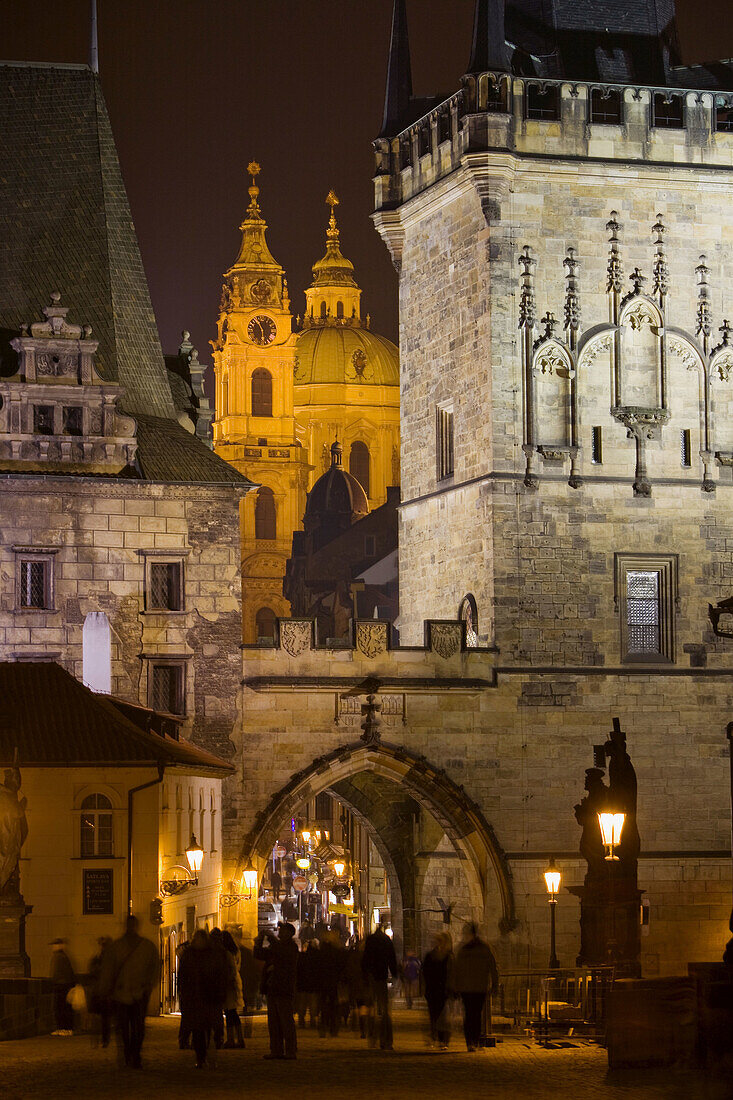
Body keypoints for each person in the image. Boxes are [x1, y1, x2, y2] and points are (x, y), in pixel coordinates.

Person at [100, 915, 159, 1068]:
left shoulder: (121, 947)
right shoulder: (145, 946)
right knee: (130, 1027)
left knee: (133, 1027)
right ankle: (132, 1054)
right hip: (127, 993)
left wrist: (148, 986)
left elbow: (154, 969)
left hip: (133, 993)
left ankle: (132, 1054)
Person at [177, 930, 228, 1068]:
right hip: (196, 998)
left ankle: (209, 1053)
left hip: (209, 997)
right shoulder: (194, 955)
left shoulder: (210, 955)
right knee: (199, 1030)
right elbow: (182, 976)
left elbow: (221, 976)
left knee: (208, 1027)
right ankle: (201, 1057)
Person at [255, 922, 299, 1060]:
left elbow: (281, 953)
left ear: (290, 934)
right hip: (272, 987)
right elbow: (260, 954)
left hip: (284, 988)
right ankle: (276, 1050)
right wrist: (260, 940)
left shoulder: (291, 947)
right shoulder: (277, 947)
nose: (280, 933)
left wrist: (271, 938)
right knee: (273, 1022)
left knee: (286, 1021)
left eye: (283, 931)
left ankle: (290, 1051)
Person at [453, 922, 498, 1052]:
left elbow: (492, 968)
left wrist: (455, 986)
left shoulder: (464, 949)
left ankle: (472, 1041)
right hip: (473, 987)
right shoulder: (483, 948)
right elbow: (493, 968)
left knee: (472, 1015)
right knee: (473, 1015)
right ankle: (473, 1041)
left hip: (474, 987)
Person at [361, 923, 397, 1050]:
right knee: (385, 1010)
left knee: (372, 1009)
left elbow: (365, 960)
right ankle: (386, 1040)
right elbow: (392, 959)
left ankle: (372, 1038)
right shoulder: (386, 940)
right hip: (381, 977)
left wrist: (365, 975)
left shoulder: (370, 940)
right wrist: (395, 973)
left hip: (372, 977)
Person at [423, 932, 453, 1048]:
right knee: (433, 1015)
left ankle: (442, 1039)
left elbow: (450, 973)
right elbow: (425, 972)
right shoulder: (430, 956)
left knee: (442, 1015)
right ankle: (434, 1036)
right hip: (432, 990)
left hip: (443, 990)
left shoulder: (447, 956)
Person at [87, 936, 113, 1047]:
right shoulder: (99, 959)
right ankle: (101, 1039)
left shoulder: (106, 959)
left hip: (103, 992)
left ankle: (102, 1039)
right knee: (101, 1018)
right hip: (100, 991)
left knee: (103, 1018)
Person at [221, 929, 245, 1048]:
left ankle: (231, 1039)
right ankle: (239, 1038)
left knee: (230, 1012)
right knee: (232, 1012)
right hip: (235, 981)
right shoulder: (236, 951)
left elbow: (230, 969)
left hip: (229, 984)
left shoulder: (227, 953)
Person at [50, 938, 76, 1036]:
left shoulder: (60, 957)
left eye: (55, 944)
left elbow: (64, 973)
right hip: (61, 986)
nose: (53, 947)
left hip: (62, 986)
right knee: (61, 1008)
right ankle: (62, 1027)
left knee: (62, 1008)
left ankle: (66, 1028)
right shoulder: (59, 956)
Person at [208, 928, 228, 1049]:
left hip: (210, 987)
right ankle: (218, 1037)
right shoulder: (222, 952)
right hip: (218, 988)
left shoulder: (207, 952)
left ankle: (211, 1036)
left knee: (211, 1014)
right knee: (217, 1015)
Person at [296, 938, 319, 1029]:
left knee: (302, 1003)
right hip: (313, 984)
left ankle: (301, 1019)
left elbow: (298, 970)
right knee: (313, 1003)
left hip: (302, 983)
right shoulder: (316, 958)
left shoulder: (301, 957)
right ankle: (313, 1019)